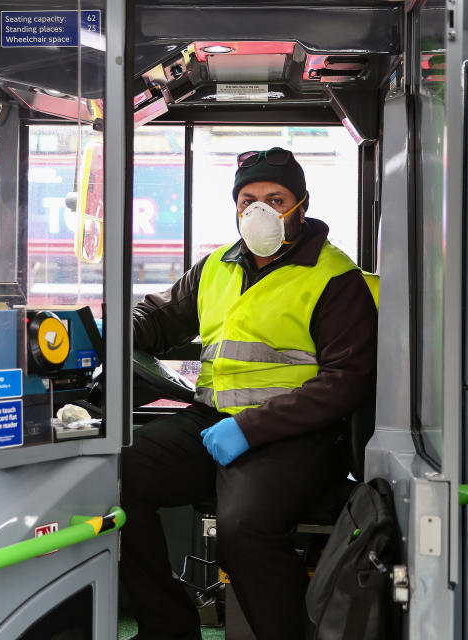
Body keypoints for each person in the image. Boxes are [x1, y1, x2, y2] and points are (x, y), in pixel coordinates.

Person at [120, 147, 378, 640]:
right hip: (212, 424)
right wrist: (111, 333)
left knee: (244, 531)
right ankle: (169, 627)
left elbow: (346, 380)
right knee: (114, 476)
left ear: (300, 205)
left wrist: (251, 427)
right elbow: (156, 319)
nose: (259, 210)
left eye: (274, 198)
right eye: (248, 199)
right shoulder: (217, 266)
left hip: (294, 437)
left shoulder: (333, 277)